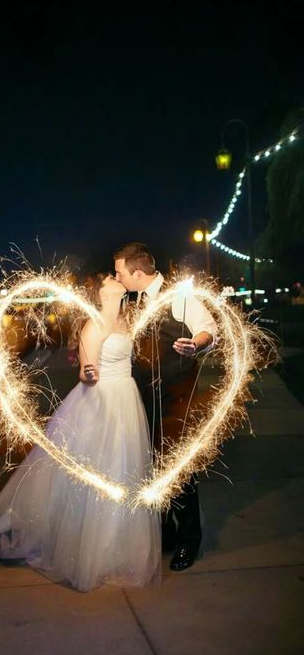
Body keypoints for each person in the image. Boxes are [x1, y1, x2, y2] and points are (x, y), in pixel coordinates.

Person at [0, 273, 161, 592]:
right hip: (100, 404)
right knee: (97, 471)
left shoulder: (126, 320)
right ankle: (90, 551)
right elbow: (85, 370)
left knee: (123, 471)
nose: (112, 276)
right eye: (109, 277)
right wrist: (91, 373)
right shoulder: (93, 325)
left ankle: (117, 548)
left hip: (126, 400)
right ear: (101, 293)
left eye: (114, 274)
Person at [114, 242, 217, 571]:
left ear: (138, 273)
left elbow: (208, 329)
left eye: (120, 273)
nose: (117, 278)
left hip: (174, 396)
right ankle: (167, 531)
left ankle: (189, 540)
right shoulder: (136, 300)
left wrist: (194, 345)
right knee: (153, 464)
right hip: (145, 396)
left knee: (178, 467)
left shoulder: (178, 296)